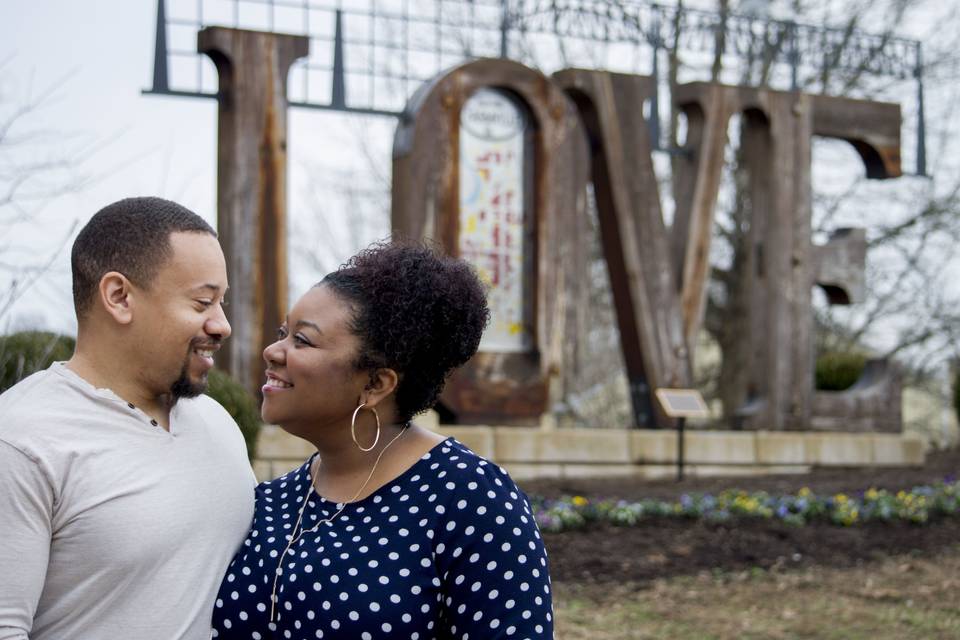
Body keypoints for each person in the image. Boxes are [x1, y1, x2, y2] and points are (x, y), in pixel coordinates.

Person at [212, 242, 554, 639]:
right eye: (282, 333)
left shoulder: (472, 500)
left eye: (302, 341)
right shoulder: (269, 503)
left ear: (375, 383)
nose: (273, 351)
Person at [0, 197, 256, 639]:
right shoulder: (22, 439)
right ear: (119, 297)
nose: (222, 325)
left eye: (222, 303)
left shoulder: (217, 423)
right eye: (202, 303)